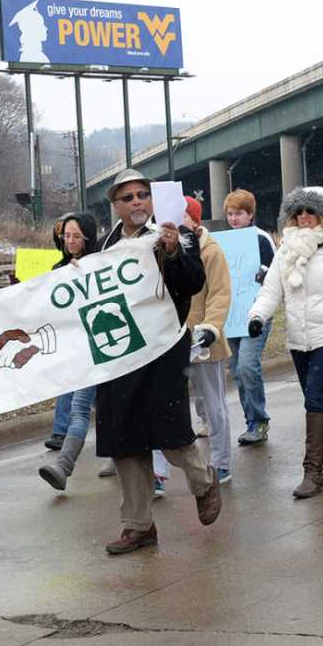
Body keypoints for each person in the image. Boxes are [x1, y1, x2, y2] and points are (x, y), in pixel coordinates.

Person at [94, 169, 221, 555]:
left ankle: (204, 482)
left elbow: (193, 282)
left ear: (152, 200)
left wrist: (171, 252)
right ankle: (138, 526)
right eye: (127, 197)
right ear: (116, 206)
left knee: (170, 431)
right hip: (119, 353)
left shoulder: (176, 234)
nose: (136, 202)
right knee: (124, 439)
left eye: (141, 195)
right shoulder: (105, 247)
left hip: (164, 347)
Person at [246, 187, 323, 498]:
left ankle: (313, 474)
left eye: (310, 211)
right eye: (298, 212)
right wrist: (257, 316)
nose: (304, 217)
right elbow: (271, 290)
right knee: (317, 398)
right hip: (298, 337)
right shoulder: (286, 250)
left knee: (316, 395)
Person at [38, 213, 102, 491]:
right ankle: (63, 467)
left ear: (88, 238)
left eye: (77, 236)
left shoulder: (102, 264)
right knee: (79, 410)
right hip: (80, 353)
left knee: (111, 411)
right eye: (67, 236)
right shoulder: (58, 268)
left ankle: (121, 458)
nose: (71, 241)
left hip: (107, 349)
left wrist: (86, 272)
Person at [180, 197, 235, 485]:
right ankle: (160, 472)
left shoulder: (211, 252)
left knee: (213, 405)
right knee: (172, 407)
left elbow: (220, 294)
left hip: (203, 342)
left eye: (181, 215)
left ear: (194, 220)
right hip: (173, 342)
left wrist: (209, 328)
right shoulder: (166, 249)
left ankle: (221, 462)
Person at [222, 190, 276, 446]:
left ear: (250, 214)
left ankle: (259, 419)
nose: (234, 218)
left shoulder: (261, 239)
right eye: (230, 214)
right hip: (232, 315)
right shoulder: (222, 242)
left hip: (257, 314)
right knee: (237, 370)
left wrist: (263, 273)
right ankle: (251, 422)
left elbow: (276, 273)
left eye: (239, 213)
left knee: (246, 365)